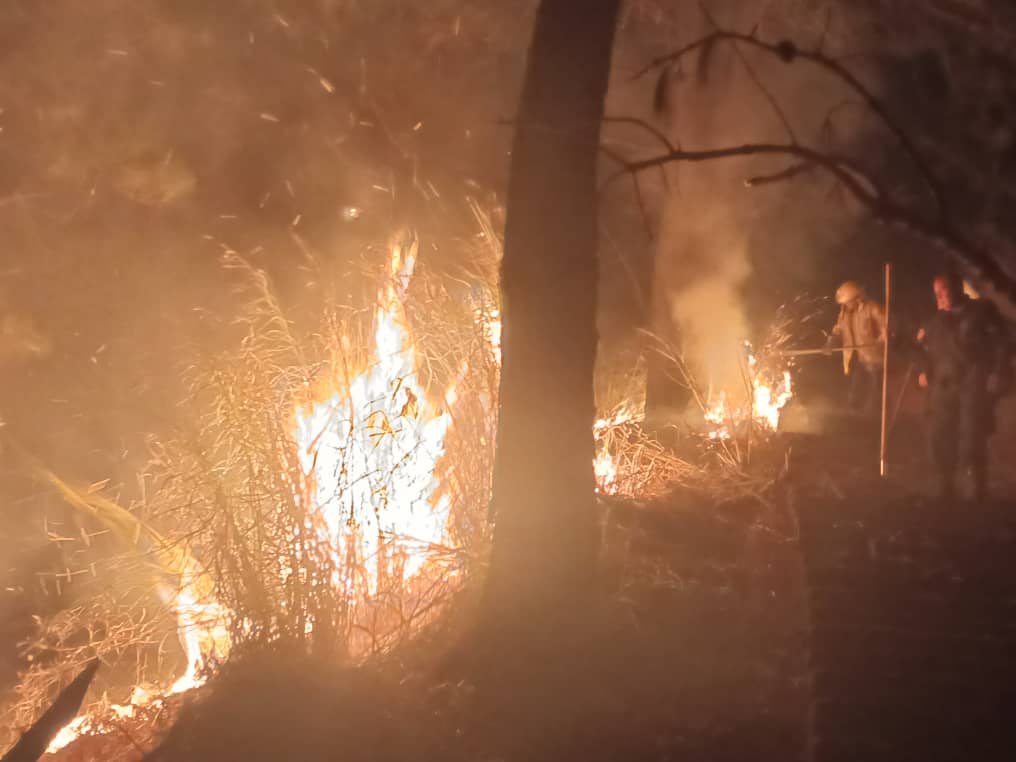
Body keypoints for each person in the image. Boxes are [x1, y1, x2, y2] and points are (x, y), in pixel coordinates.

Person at [916, 272, 1011, 501]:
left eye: (943, 290)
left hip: (974, 379)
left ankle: (977, 484)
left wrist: (998, 372)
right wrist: (924, 370)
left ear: (958, 289)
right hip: (944, 382)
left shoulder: (982, 312)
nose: (939, 296)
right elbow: (928, 351)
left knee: (972, 432)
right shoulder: (936, 321)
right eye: (936, 292)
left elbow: (1002, 343)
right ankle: (945, 482)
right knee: (940, 433)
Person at [827, 281, 887, 415]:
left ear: (856, 299)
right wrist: (831, 341)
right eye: (844, 303)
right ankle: (853, 415)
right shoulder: (844, 313)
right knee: (856, 390)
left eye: (848, 302)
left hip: (877, 358)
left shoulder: (870, 308)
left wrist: (883, 336)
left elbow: (884, 322)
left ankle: (874, 417)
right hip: (861, 357)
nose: (846, 305)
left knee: (877, 393)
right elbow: (838, 329)